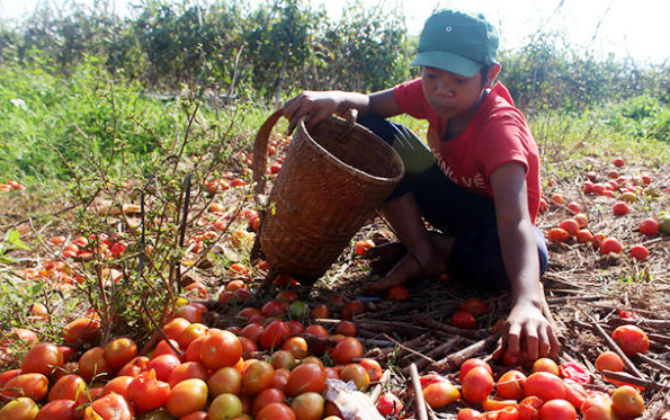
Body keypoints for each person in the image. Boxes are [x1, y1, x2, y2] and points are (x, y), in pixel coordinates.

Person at [280, 9, 559, 362]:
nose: (442, 90)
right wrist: (334, 97)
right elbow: (371, 105)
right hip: (451, 198)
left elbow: (514, 222)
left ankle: (438, 247)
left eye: (457, 79)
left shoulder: (499, 129)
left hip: (495, 220)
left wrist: (527, 301)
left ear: (489, 74)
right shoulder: (431, 94)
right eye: (431, 75)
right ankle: (423, 251)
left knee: (531, 254)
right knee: (372, 130)